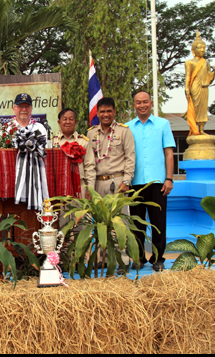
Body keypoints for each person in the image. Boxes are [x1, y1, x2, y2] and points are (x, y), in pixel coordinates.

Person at [126, 91, 175, 272]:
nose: (142, 105)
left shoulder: (163, 124)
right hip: (135, 182)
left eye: (145, 102)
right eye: (138, 102)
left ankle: (158, 258)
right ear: (134, 105)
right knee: (137, 223)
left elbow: (169, 153)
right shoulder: (127, 127)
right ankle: (138, 257)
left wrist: (169, 179)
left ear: (151, 103)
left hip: (157, 182)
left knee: (158, 222)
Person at [87, 97, 135, 272]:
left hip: (118, 182)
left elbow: (130, 157)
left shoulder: (124, 132)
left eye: (109, 111)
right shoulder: (91, 133)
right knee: (100, 222)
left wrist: (127, 181)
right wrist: (90, 188)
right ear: (97, 113)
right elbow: (90, 163)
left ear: (114, 112)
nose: (105, 115)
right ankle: (104, 258)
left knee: (119, 222)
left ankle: (123, 260)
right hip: (99, 183)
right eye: (102, 111)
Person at [181, 30, 215, 136]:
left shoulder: (206, 62)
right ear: (193, 50)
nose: (202, 50)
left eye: (204, 48)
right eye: (199, 48)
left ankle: (201, 129)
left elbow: (208, 76)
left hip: (204, 87)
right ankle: (194, 129)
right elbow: (188, 76)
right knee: (195, 107)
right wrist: (186, 88)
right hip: (195, 87)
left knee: (203, 108)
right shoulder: (189, 62)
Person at [52, 108, 96, 199]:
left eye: (71, 119)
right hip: (58, 187)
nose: (68, 122)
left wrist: (90, 188)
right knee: (59, 213)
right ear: (59, 123)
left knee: (80, 213)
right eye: (64, 119)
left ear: (75, 122)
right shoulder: (52, 143)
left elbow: (90, 167)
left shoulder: (83, 142)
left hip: (79, 187)